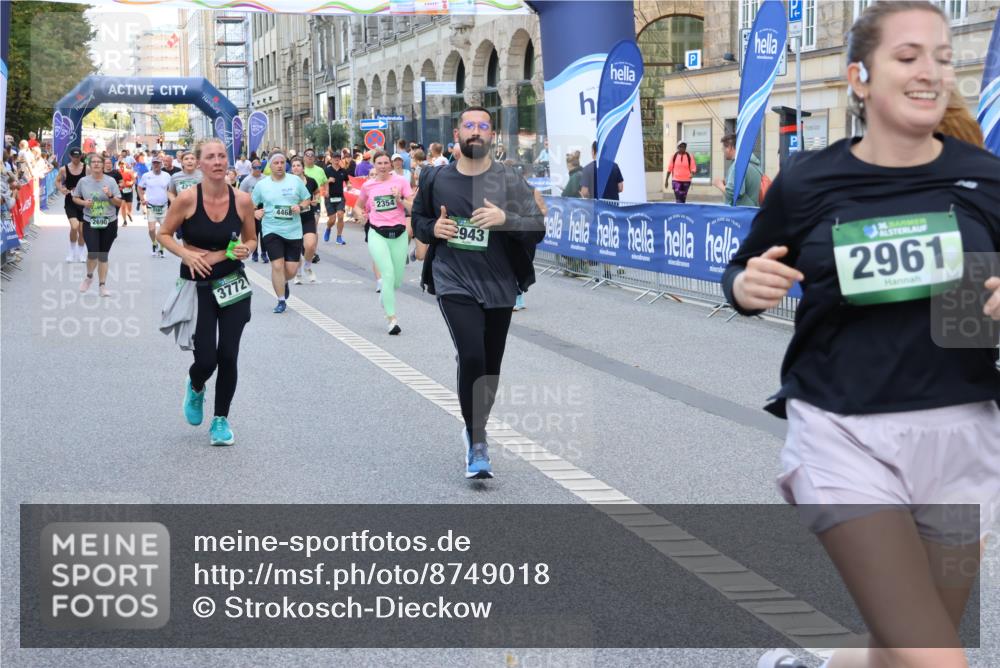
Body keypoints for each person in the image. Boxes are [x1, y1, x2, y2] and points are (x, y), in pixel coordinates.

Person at [722, 4, 1000, 668]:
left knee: (904, 646)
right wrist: (744, 287)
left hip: (961, 439)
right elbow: (745, 268)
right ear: (859, 77)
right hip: (843, 433)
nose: (929, 70)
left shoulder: (986, 179)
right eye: (907, 57)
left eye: (941, 56)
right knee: (936, 658)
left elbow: (973, 316)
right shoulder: (809, 181)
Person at [412, 106, 545, 479]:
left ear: (492, 136)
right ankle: (478, 440)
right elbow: (419, 222)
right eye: (468, 125)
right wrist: (434, 229)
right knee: (471, 354)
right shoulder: (435, 178)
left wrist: (506, 220)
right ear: (457, 133)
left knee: (489, 364)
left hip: (500, 283)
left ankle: (475, 427)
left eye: (482, 126)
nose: (475, 132)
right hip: (453, 278)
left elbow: (537, 229)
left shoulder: (509, 179)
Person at [158, 137, 257, 447]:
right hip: (197, 285)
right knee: (206, 359)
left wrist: (245, 249)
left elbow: (252, 241)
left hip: (232, 285)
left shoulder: (242, 200)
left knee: (228, 354)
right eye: (210, 157)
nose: (217, 162)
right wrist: (186, 255)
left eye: (222, 156)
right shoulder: (186, 199)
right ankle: (197, 384)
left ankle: (220, 420)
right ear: (199, 164)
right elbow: (163, 234)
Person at [353, 151, 414, 334]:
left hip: (399, 233)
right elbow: (357, 205)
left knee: (396, 282)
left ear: (391, 165)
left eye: (386, 162)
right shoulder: (368, 186)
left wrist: (399, 199)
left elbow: (412, 207)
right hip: (377, 233)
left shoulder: (401, 182)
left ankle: (385, 298)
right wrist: (360, 215)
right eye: (379, 163)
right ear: (374, 165)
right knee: (386, 274)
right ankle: (392, 319)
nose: (383, 166)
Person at [250, 152, 311, 313]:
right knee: (277, 265)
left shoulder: (295, 181)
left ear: (286, 165)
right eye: (276, 163)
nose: (279, 165)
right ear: (270, 166)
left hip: (293, 231)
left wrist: (301, 207)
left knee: (291, 270)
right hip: (271, 229)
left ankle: (283, 282)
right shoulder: (262, 185)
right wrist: (255, 213)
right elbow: (251, 204)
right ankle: (281, 300)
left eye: (282, 162)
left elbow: (306, 198)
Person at [71, 153, 123, 297]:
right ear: (89, 165)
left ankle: (102, 286)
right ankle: (89, 276)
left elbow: (119, 202)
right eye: (93, 162)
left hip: (109, 221)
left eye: (98, 162)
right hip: (90, 220)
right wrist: (84, 203)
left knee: (103, 255)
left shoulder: (111, 181)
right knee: (93, 252)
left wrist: (110, 196)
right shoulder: (83, 181)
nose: (96, 164)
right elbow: (75, 197)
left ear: (103, 164)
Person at [289, 155, 320, 284]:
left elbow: (317, 191)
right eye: (294, 166)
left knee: (310, 245)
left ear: (303, 168)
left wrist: (316, 199)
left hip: (307, 217)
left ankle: (307, 266)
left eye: (298, 165)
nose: (296, 168)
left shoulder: (311, 181)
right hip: (292, 219)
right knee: (296, 248)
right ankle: (298, 272)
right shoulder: (287, 182)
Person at [55, 148, 89, 262]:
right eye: (74, 157)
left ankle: (81, 253)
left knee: (82, 230)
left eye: (78, 157)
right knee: (74, 226)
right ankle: (71, 251)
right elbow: (58, 181)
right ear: (70, 156)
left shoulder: (86, 168)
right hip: (70, 201)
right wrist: (61, 189)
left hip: (84, 201)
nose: (76, 159)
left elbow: (92, 181)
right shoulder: (64, 169)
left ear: (81, 156)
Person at [713, 133, 762, 207]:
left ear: (730, 147)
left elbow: (732, 194)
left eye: (724, 148)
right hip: (753, 210)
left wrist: (719, 184)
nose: (723, 152)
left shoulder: (738, 166)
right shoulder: (750, 162)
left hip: (742, 213)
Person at [138, 155, 172, 257]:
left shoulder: (167, 175)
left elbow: (171, 189)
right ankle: (154, 243)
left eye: (158, 163)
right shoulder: (146, 175)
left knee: (163, 230)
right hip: (151, 207)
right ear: (152, 165)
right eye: (154, 163)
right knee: (151, 230)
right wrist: (142, 199)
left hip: (164, 206)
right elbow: (140, 187)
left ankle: (162, 249)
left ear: (161, 164)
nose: (156, 165)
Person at [301, 148, 328, 267]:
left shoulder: (320, 170)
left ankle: (312, 251)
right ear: (304, 157)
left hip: (314, 203)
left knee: (314, 225)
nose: (310, 157)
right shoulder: (300, 170)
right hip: (300, 205)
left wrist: (325, 191)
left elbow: (325, 182)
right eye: (307, 155)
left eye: (312, 155)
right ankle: (304, 247)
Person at [239, 159, 265, 261]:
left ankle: (264, 253)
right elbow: (240, 194)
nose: (257, 169)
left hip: (263, 206)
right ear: (251, 168)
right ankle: (254, 253)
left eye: (259, 167)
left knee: (263, 231)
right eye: (255, 168)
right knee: (255, 231)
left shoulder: (265, 178)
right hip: (251, 208)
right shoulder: (247, 180)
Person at [323, 152, 349, 245]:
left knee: (341, 215)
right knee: (332, 220)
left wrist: (349, 185)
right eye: (335, 158)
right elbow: (321, 182)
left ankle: (339, 237)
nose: (336, 159)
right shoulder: (326, 170)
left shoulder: (343, 171)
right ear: (331, 159)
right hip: (329, 197)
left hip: (340, 197)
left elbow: (347, 180)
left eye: (338, 158)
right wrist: (327, 181)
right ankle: (328, 228)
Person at [118, 159, 136, 227]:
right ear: (119, 166)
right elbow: (116, 181)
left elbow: (134, 180)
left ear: (126, 165)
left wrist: (131, 183)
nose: (122, 167)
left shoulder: (129, 172)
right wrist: (119, 185)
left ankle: (129, 213)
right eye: (120, 166)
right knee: (123, 207)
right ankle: (125, 221)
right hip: (121, 191)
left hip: (128, 190)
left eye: (123, 166)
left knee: (129, 207)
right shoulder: (118, 172)